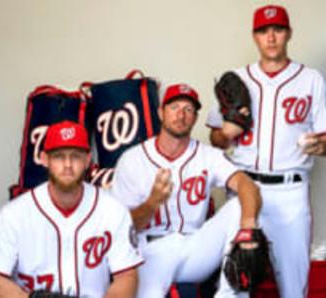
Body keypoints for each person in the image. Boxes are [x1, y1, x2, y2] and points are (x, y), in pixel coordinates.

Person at [206, 4, 326, 298]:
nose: (271, 37)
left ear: (288, 33)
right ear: (254, 36)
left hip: (290, 193)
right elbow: (215, 139)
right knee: (233, 284)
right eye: (263, 31)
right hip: (243, 190)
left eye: (277, 30)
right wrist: (225, 133)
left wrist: (322, 145)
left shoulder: (311, 80)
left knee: (293, 288)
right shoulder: (237, 79)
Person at [111, 83, 263, 298]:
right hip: (150, 253)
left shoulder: (207, 155)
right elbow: (122, 229)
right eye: (174, 107)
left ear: (195, 118)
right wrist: (152, 203)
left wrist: (248, 226)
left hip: (195, 248)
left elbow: (246, 184)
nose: (181, 115)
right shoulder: (132, 160)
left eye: (189, 109)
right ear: (160, 112)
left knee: (242, 203)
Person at [0, 120, 143, 298]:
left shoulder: (113, 210)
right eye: (58, 156)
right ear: (44, 159)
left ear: (88, 160)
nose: (67, 164)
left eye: (75, 156)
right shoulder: (13, 214)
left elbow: (127, 277)